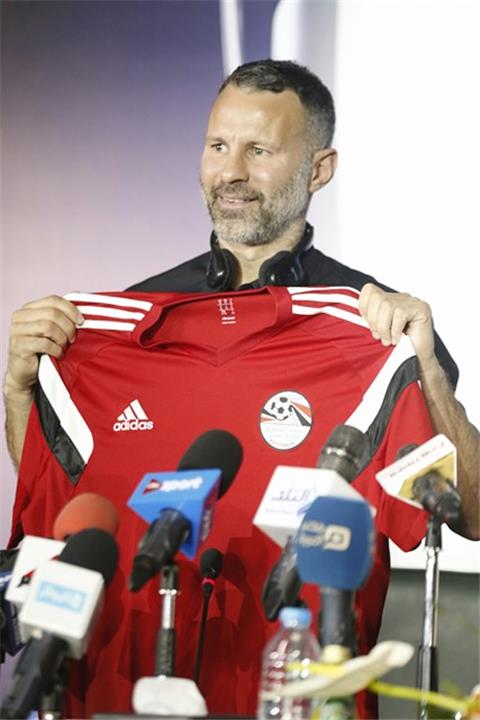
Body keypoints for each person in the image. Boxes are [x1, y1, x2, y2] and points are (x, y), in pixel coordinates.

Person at [5, 60, 479, 539]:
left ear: (319, 170)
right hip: (154, 588)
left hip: (307, 593)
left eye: (258, 150)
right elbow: (57, 492)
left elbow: (473, 516)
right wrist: (18, 392)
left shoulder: (372, 324)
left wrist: (427, 373)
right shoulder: (136, 315)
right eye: (218, 146)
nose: (231, 172)